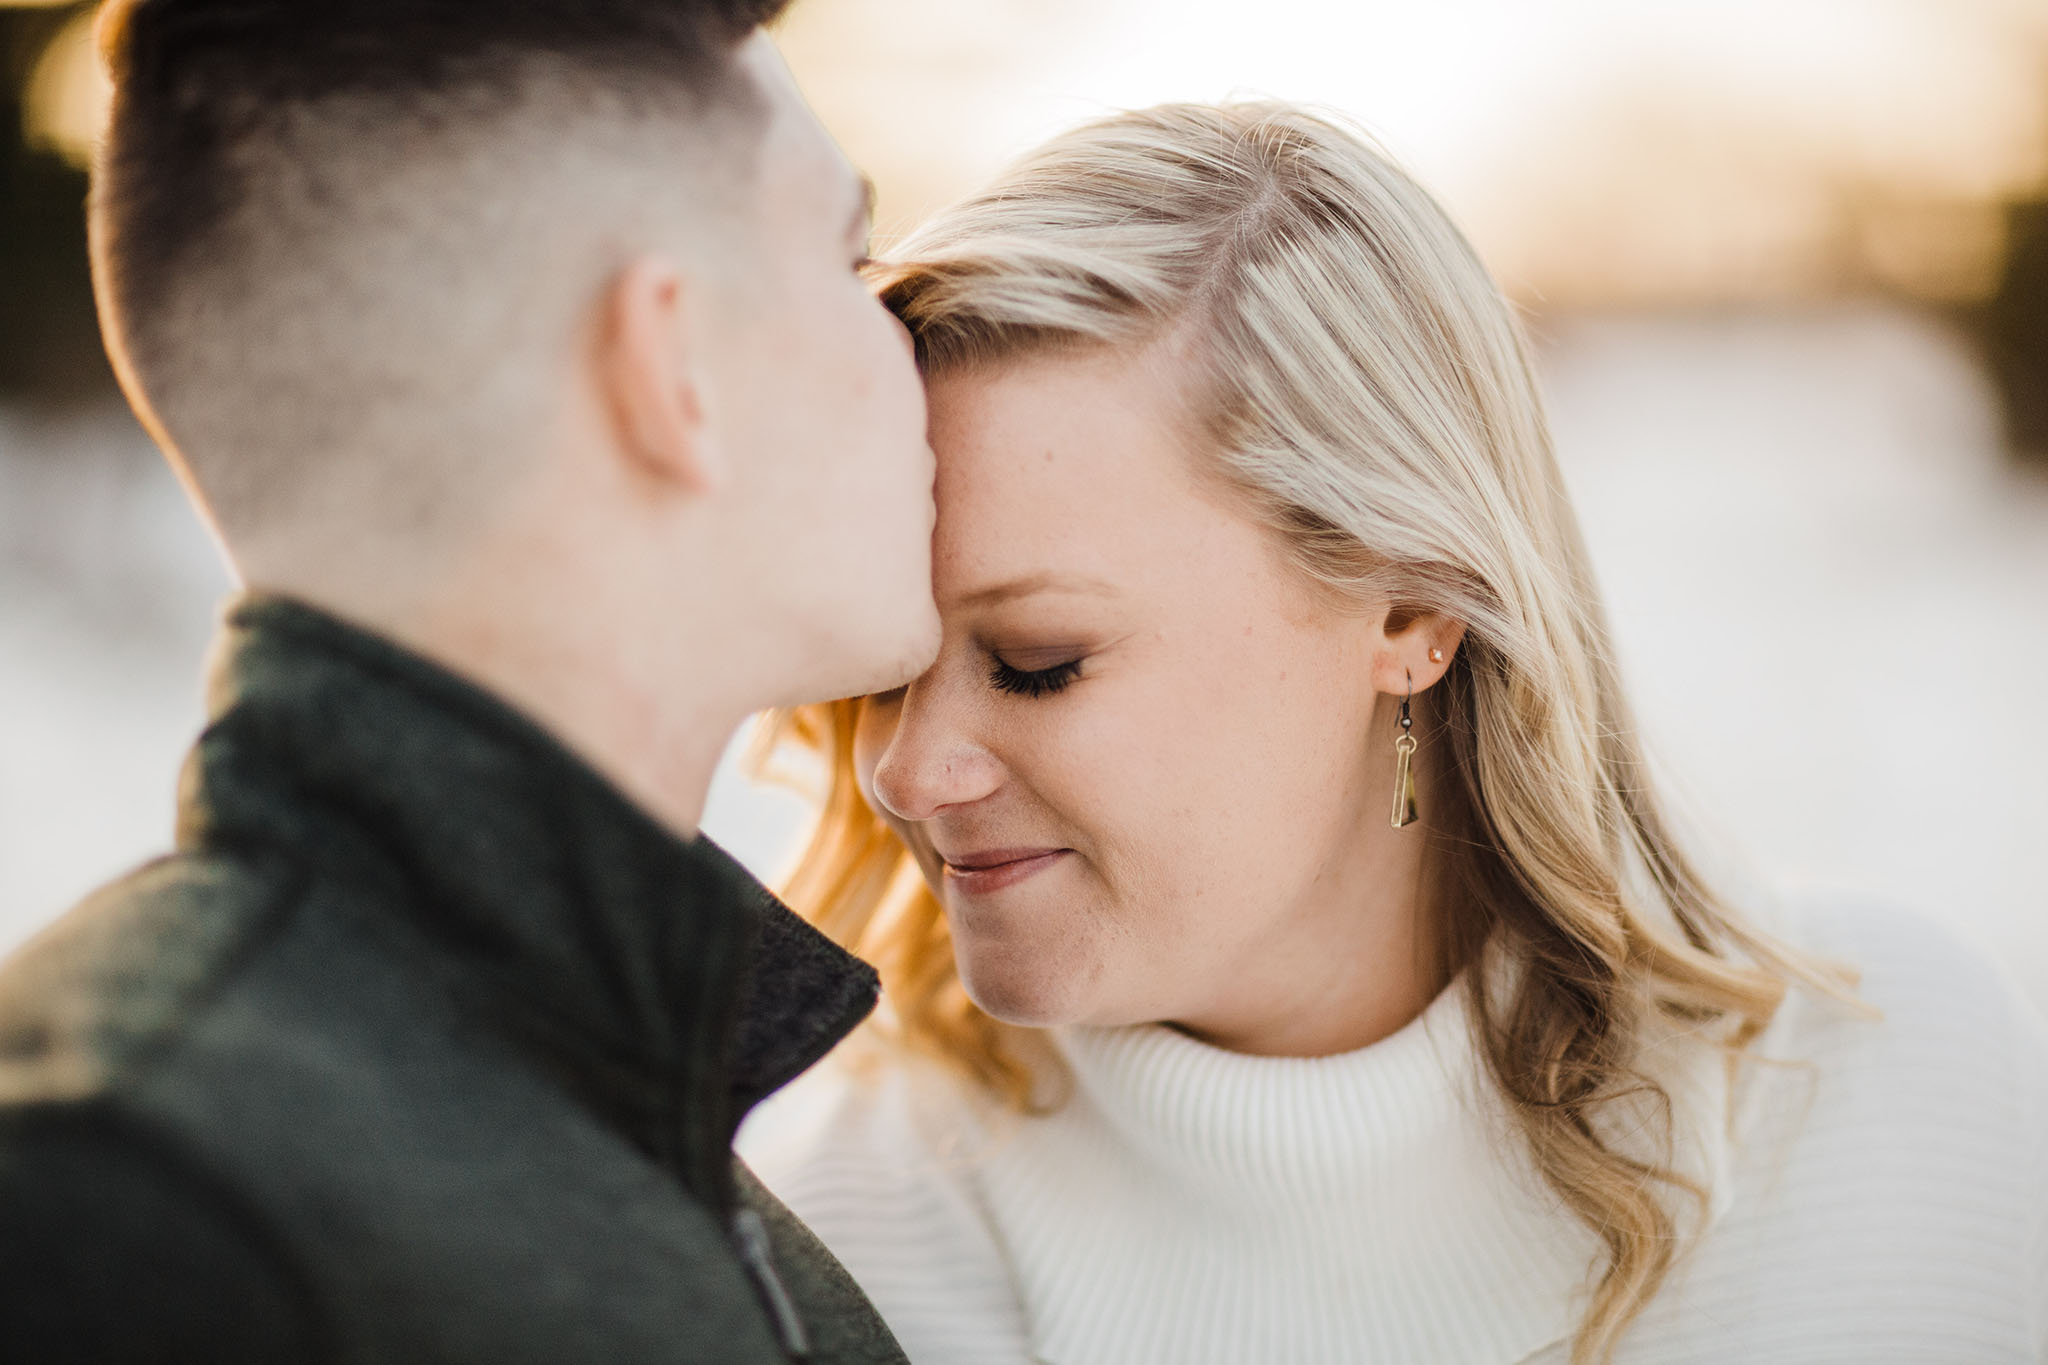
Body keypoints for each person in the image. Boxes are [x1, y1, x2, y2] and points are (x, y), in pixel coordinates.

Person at [739, 101, 2048, 1364]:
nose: (904, 767)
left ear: (1412, 602)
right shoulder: (830, 1236)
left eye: (1037, 663)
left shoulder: (1884, 1097)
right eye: (886, 668)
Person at [0, 1, 936, 1361]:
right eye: (850, 263)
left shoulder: (699, 1187)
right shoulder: (133, 1213)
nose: (908, 349)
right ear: (676, 369)